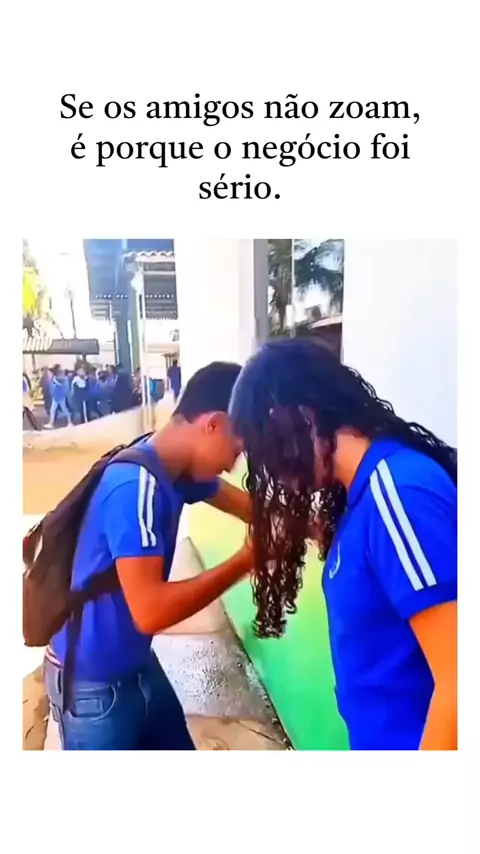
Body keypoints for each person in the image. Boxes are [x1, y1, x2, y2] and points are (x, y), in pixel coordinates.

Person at [229, 337, 457, 751]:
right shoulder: (360, 499)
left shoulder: (398, 495)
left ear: (304, 418)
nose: (274, 474)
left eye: (270, 450)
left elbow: (460, 679)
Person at [44, 361, 252, 750]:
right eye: (237, 450)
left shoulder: (176, 470)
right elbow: (150, 611)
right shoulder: (136, 486)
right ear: (214, 425)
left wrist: (315, 525)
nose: (231, 465)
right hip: (93, 690)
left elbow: (252, 510)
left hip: (137, 665)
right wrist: (245, 561)